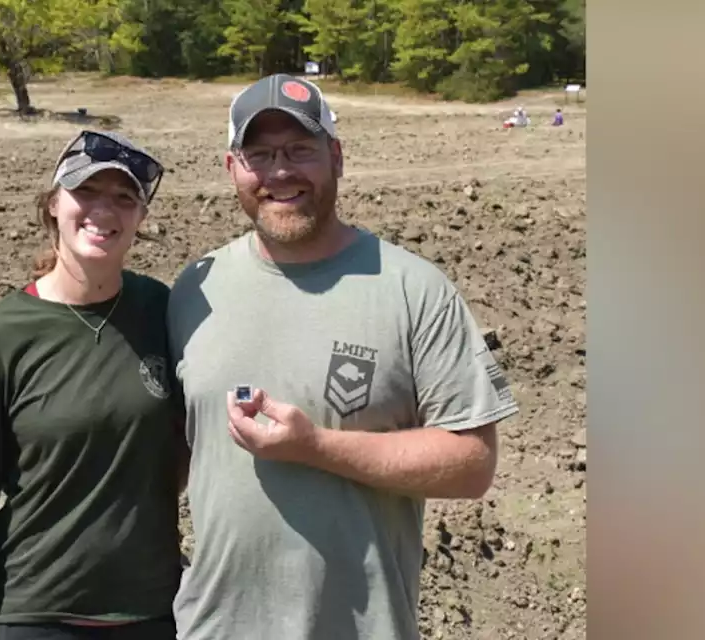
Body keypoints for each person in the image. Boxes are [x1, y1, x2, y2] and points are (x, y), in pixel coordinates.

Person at [167, 74, 521, 640]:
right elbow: (176, 456)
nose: (280, 172)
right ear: (232, 167)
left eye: (301, 150)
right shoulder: (195, 289)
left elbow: (473, 464)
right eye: (259, 153)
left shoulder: (413, 290)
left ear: (336, 157)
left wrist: (317, 447)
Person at [0, 130, 186, 640]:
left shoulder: (163, 312)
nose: (105, 210)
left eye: (124, 198)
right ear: (54, 204)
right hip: (39, 616)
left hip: (151, 612)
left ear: (141, 219)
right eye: (86, 191)